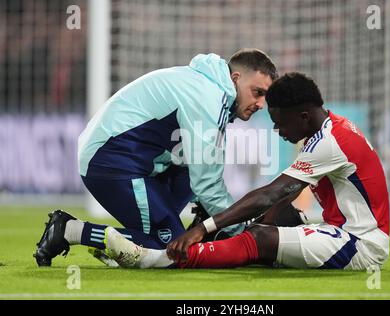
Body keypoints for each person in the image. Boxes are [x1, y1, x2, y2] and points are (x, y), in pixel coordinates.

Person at [103, 72, 390, 271]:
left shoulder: (331, 142)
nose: (277, 131)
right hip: (341, 231)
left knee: (261, 238)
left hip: (360, 244)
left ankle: (157, 259)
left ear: (303, 116)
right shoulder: (329, 129)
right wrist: (259, 222)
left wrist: (205, 228)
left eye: (280, 123)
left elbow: (271, 192)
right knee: (269, 226)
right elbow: (283, 198)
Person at [33, 49, 277, 267]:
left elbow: (203, 170)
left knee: (193, 167)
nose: (261, 104)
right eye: (257, 93)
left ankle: (143, 239)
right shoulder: (207, 97)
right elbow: (207, 183)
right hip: (111, 160)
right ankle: (71, 230)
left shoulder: (208, 86)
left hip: (132, 158)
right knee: (173, 249)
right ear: (235, 79)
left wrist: (214, 221)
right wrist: (238, 229)